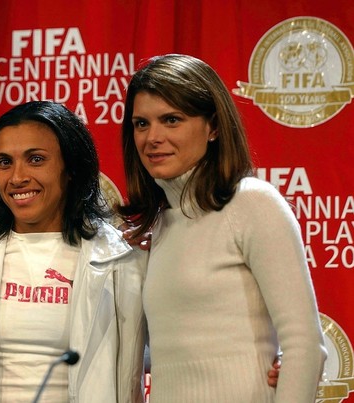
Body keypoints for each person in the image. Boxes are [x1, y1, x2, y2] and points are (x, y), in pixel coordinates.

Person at [118, 54, 326, 402]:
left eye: (171, 120)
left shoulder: (252, 204)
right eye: (141, 124)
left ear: (213, 126)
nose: (152, 137)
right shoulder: (160, 224)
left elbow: (305, 344)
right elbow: (181, 348)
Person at [0, 100, 147, 402]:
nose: (17, 177)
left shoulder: (120, 257)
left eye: (36, 159)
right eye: (4, 162)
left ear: (71, 169)